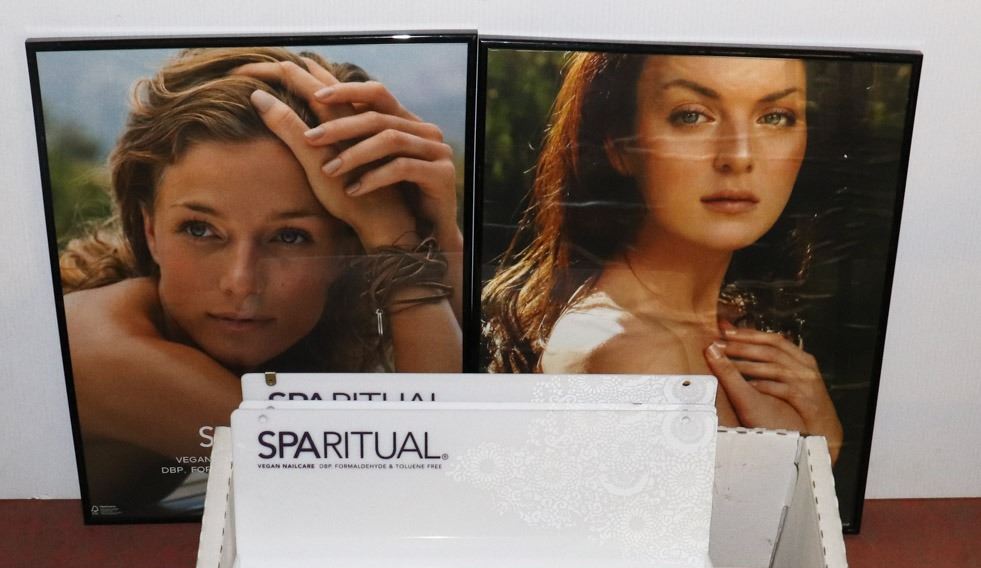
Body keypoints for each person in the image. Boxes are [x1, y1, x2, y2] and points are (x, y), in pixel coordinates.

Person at [60, 46, 463, 515]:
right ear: (151, 231)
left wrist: (442, 234)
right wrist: (399, 238)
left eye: (290, 236)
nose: (241, 282)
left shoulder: (280, 350)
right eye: (199, 229)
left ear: (348, 250)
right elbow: (417, 487)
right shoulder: (105, 351)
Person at [483, 52, 842, 462]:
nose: (740, 156)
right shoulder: (628, 351)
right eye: (691, 116)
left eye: (775, 117)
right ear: (618, 146)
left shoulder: (736, 327)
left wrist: (816, 440)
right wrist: (816, 449)